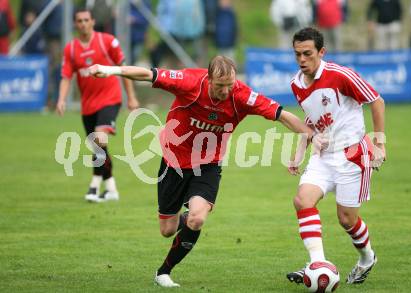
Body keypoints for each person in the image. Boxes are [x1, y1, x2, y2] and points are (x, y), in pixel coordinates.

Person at [88, 55, 325, 287]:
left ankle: (164, 272)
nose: (226, 91)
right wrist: (110, 71)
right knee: (167, 230)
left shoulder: (242, 95)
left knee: (198, 218)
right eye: (220, 86)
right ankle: (182, 219)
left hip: (208, 165)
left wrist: (312, 135)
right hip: (174, 161)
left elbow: (282, 115)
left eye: (230, 85)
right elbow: (147, 74)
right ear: (209, 79)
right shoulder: (190, 82)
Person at [285, 27, 386, 286]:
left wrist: (380, 144)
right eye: (297, 54)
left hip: (352, 154)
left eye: (307, 54)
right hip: (323, 155)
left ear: (321, 52)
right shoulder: (296, 84)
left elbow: (376, 101)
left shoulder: (341, 75)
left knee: (346, 219)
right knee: (302, 200)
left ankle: (367, 258)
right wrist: (299, 152)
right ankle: (317, 264)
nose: (302, 60)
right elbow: (313, 119)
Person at [56, 8, 139, 203]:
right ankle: (111, 190)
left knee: (100, 141)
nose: (83, 23)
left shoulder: (107, 41)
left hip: (110, 99)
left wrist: (132, 97)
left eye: (86, 20)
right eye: (79, 20)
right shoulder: (71, 49)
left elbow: (124, 69)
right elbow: (66, 77)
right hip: (88, 105)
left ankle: (94, 185)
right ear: (75, 24)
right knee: (97, 148)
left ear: (93, 21)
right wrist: (61, 99)